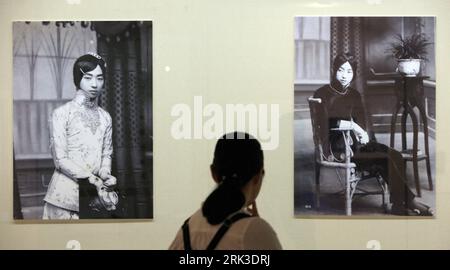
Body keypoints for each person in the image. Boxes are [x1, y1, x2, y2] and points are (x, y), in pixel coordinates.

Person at [313, 53, 433, 216]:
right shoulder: (322, 93)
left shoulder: (354, 94)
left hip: (355, 143)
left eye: (349, 72)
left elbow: (362, 122)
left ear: (354, 73)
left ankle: (399, 204)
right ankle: (410, 201)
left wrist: (363, 133)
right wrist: (353, 126)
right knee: (383, 159)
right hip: (337, 148)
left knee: (394, 155)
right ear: (334, 70)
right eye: (341, 70)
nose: (344, 76)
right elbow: (324, 124)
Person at [169, 132, 282, 250]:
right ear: (258, 176)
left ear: (213, 173)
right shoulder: (256, 231)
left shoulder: (188, 228)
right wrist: (256, 227)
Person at [42, 53, 118, 219]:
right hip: (64, 198)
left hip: (95, 197)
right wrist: (92, 178)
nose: (94, 84)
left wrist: (105, 173)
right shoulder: (62, 114)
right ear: (78, 79)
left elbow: (106, 153)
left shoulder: (106, 117)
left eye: (99, 78)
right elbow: (60, 160)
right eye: (88, 77)